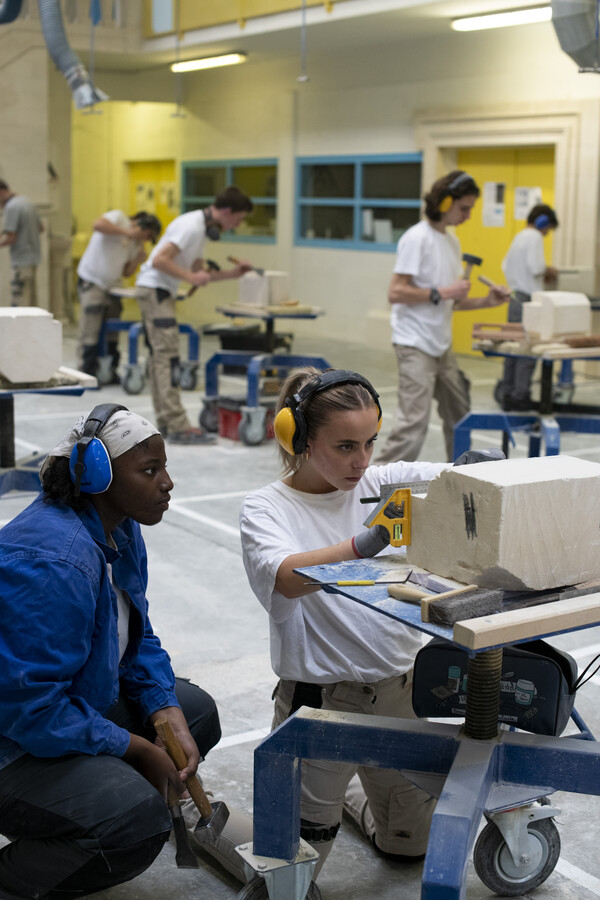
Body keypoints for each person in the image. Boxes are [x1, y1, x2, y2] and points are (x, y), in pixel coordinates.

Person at [0, 404, 223, 899]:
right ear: (98, 476)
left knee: (195, 717)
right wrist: (138, 747)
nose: (168, 483)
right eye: (149, 471)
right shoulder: (52, 561)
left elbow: (134, 636)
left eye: (164, 467)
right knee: (137, 825)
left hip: (61, 710)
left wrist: (164, 707)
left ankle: (82, 814)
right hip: (11, 742)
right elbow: (30, 709)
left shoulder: (118, 526)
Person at [239, 367, 451, 878]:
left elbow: (453, 477)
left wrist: (478, 473)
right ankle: (329, 793)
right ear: (301, 440)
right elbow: (289, 577)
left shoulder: (378, 484)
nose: (362, 462)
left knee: (409, 848)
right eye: (345, 446)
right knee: (294, 872)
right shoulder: (266, 508)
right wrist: (365, 543)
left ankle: (350, 792)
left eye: (371, 443)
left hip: (400, 694)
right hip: (321, 701)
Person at [374, 170, 510, 464]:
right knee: (414, 425)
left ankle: (462, 479)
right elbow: (396, 292)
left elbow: (450, 303)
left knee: (460, 415)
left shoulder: (452, 243)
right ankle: (372, 487)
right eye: (464, 208)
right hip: (414, 343)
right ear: (446, 201)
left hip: (440, 345)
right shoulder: (416, 238)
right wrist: (444, 291)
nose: (468, 215)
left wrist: (488, 300)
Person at [135, 186, 254, 445]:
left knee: (161, 358)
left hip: (158, 290)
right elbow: (160, 260)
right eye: (238, 218)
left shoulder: (201, 231)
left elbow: (200, 273)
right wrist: (189, 277)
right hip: (155, 289)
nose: (237, 225)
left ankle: (167, 421)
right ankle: (177, 424)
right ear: (225, 211)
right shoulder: (191, 226)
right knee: (167, 357)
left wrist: (233, 274)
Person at [76, 210, 162, 383]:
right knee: (91, 328)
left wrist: (137, 260)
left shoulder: (136, 244)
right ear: (142, 225)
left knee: (112, 331)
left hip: (113, 285)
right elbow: (97, 225)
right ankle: (87, 370)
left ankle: (109, 369)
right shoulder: (119, 218)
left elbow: (126, 272)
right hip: (93, 281)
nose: (145, 239)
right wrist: (129, 233)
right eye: (147, 234)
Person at [498, 203, 559, 411]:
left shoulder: (519, 236)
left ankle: (508, 393)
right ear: (543, 223)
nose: (546, 233)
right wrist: (549, 271)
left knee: (513, 348)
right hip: (528, 301)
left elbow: (504, 265)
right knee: (528, 349)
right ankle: (521, 395)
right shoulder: (534, 237)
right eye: (548, 229)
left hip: (515, 297)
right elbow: (536, 268)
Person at [0, 179, 43, 306]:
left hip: (21, 260)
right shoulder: (27, 202)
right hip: (33, 258)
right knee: (31, 303)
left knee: (20, 303)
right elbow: (41, 228)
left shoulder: (11, 207)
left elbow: (11, 237)